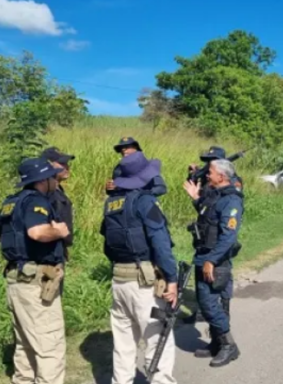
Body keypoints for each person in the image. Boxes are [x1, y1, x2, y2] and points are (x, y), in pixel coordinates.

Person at [99, 150, 179, 384]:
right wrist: (171, 279)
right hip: (144, 283)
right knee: (158, 339)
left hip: (119, 279)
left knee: (123, 343)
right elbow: (160, 243)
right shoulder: (145, 202)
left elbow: (108, 242)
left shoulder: (111, 203)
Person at [0, 157, 69, 384]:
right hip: (36, 283)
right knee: (49, 345)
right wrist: (59, 231)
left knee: (25, 343)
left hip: (16, 280)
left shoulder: (11, 202)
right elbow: (37, 233)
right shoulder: (37, 201)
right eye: (53, 176)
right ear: (43, 180)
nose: (56, 180)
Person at [183, 159, 243, 367]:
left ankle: (229, 346)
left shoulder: (231, 200)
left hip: (215, 260)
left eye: (211, 172)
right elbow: (206, 217)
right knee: (206, 302)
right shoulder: (214, 196)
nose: (207, 175)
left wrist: (211, 260)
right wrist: (195, 198)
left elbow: (228, 236)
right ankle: (217, 343)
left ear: (222, 176)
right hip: (203, 256)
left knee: (209, 304)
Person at [40, 147, 75, 261]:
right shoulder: (45, 191)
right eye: (62, 163)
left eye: (67, 163)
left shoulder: (57, 189)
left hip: (57, 249)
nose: (67, 167)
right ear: (49, 164)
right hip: (47, 252)